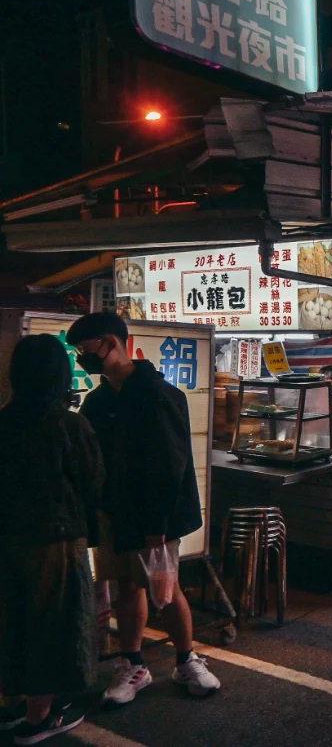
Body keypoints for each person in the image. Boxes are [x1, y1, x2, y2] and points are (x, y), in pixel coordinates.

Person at [65, 313, 220, 705]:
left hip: (156, 516)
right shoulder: (97, 402)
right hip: (114, 515)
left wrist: (158, 522)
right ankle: (134, 665)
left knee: (165, 588)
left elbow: (171, 464)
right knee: (126, 588)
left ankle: (186, 658)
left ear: (112, 343)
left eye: (87, 350)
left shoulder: (158, 394)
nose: (84, 358)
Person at [0, 336, 103, 744]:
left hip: (7, 538)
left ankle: (15, 703)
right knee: (54, 626)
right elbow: (93, 484)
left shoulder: (4, 420)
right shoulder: (69, 424)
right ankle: (38, 718)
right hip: (55, 541)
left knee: (13, 619)